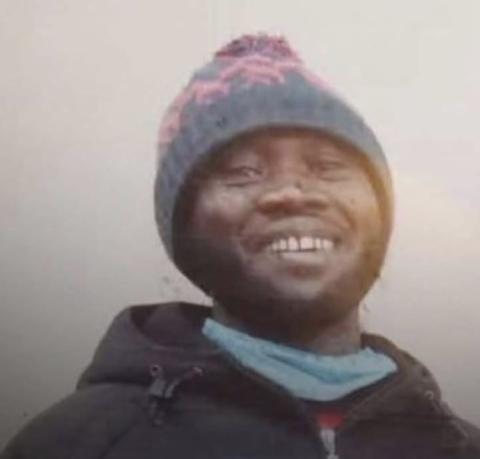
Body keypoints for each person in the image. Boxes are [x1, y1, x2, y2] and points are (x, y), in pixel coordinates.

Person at [2, 33, 479, 459]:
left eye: (329, 167)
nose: (292, 192)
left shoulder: (458, 446)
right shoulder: (76, 444)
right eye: (244, 172)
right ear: (184, 231)